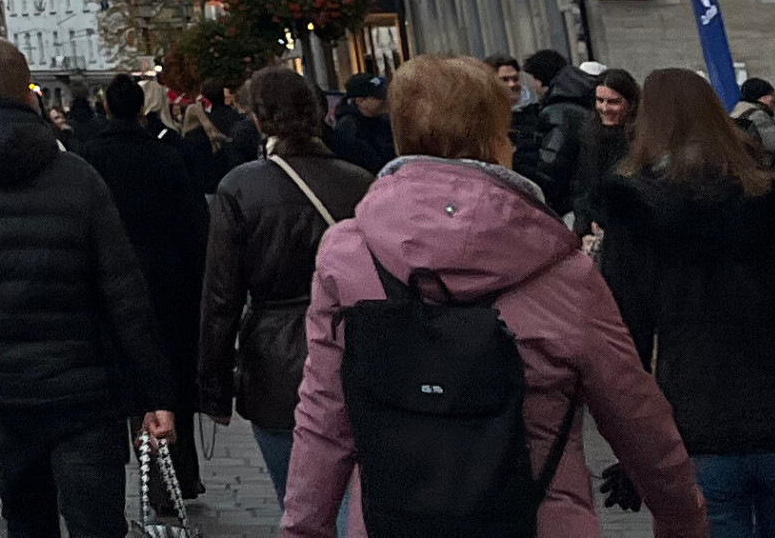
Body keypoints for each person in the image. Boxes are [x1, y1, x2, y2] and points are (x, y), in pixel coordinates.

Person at [277, 56, 701, 538]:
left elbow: (324, 415)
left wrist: (303, 528)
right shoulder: (558, 264)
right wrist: (681, 516)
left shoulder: (348, 254)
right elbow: (633, 410)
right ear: (496, 135)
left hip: (394, 518)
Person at [593, 67, 775, 537]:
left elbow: (622, 346)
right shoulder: (769, 200)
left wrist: (636, 458)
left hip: (696, 426)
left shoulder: (635, 211)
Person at [0, 40, 172, 538]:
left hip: (1, 388)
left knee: (26, 518)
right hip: (86, 387)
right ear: (30, 97)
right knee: (96, 522)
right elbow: (125, 293)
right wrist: (154, 391)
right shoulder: (78, 178)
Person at [196, 67, 373, 509]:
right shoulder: (361, 182)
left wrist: (214, 387)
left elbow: (222, 297)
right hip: (355, 348)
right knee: (354, 501)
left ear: (259, 119)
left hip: (275, 358)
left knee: (297, 501)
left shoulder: (240, 187)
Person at [74, 73, 211, 504]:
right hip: (168, 281)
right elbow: (194, 226)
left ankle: (132, 475)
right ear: (141, 110)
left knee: (120, 379)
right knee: (171, 377)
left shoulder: (87, 159)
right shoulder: (166, 157)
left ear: (107, 108)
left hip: (107, 282)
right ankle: (178, 474)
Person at [513, 49, 599, 220]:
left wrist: (520, 162)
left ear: (539, 78)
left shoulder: (558, 111)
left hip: (569, 205)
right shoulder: (578, 101)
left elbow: (551, 166)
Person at [584, 67, 641, 215]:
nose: (604, 108)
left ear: (631, 104)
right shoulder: (589, 134)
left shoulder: (641, 139)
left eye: (613, 102)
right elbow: (582, 187)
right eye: (600, 100)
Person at [325, 72, 392, 177]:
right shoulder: (348, 130)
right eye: (378, 98)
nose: (385, 101)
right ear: (361, 100)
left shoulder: (382, 120)